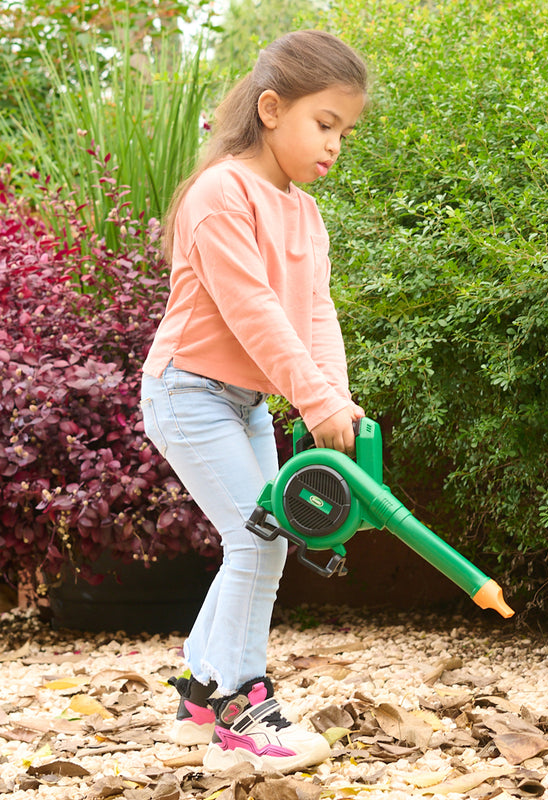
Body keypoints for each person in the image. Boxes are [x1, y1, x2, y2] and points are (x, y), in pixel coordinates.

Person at [139, 29, 368, 773]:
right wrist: (312, 399)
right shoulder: (220, 194)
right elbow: (255, 315)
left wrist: (333, 400)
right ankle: (242, 712)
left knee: (262, 542)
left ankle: (202, 694)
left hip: (245, 404)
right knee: (259, 536)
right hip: (187, 392)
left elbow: (313, 314)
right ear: (272, 108)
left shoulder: (303, 212)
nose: (335, 144)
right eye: (324, 124)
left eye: (345, 131)